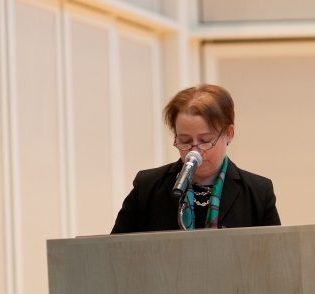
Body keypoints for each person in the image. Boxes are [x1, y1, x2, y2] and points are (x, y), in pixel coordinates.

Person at [111, 84, 280, 233]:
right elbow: (116, 252)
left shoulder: (258, 191)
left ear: (229, 134)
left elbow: (274, 256)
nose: (194, 152)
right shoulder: (147, 187)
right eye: (185, 141)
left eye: (205, 141)